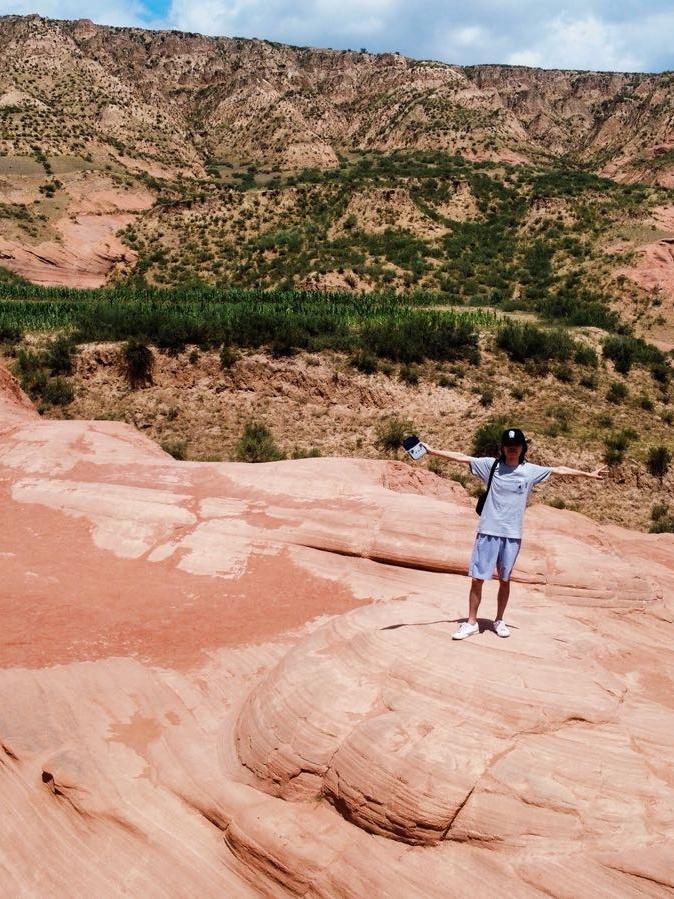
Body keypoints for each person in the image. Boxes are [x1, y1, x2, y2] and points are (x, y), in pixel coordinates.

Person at [423, 428, 606, 640]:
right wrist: (431, 451)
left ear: (522, 448)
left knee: (505, 579)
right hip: (488, 531)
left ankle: (499, 620)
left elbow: (559, 469)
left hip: (512, 534)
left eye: (516, 446)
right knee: (478, 579)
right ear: (503, 448)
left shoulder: (530, 471)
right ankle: (471, 622)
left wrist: (588, 474)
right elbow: (462, 458)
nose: (512, 450)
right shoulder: (490, 466)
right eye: (509, 447)